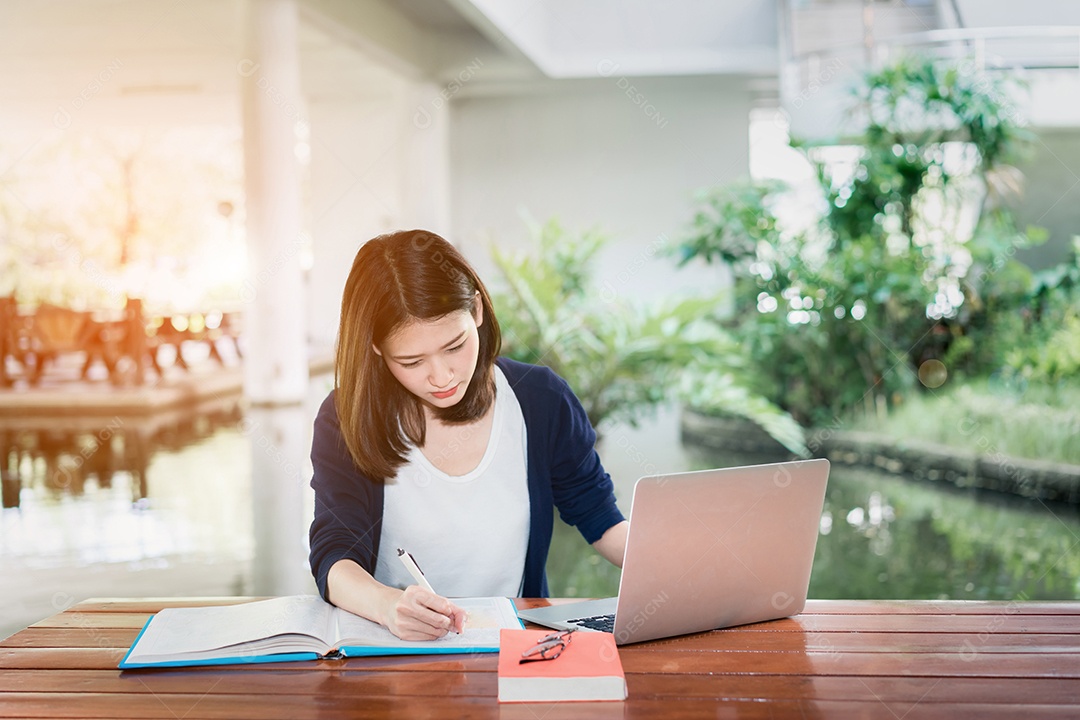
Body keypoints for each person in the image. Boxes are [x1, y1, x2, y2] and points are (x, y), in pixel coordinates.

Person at [308, 230, 628, 641]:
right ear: (374, 347)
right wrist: (387, 605)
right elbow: (334, 555)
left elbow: (600, 518)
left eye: (455, 345)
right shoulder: (345, 417)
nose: (442, 377)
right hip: (394, 653)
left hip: (518, 650)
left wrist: (680, 565)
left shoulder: (539, 400)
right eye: (412, 360)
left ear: (476, 309)